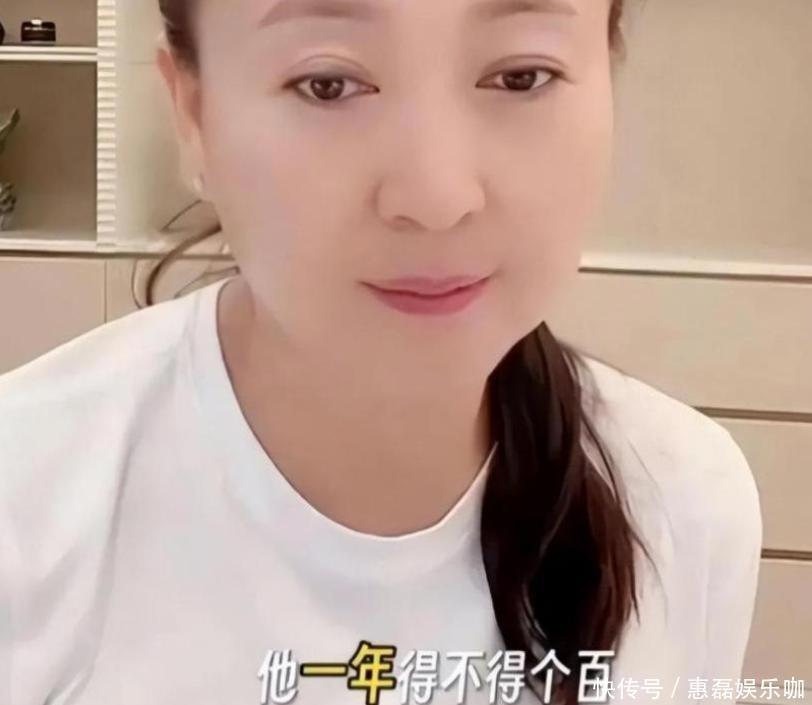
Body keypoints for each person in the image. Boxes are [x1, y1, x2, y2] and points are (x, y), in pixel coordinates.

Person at [0, 0, 762, 703]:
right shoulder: (26, 502)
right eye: (327, 85)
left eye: (521, 76)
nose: (437, 197)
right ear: (192, 114)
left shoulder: (680, 498)